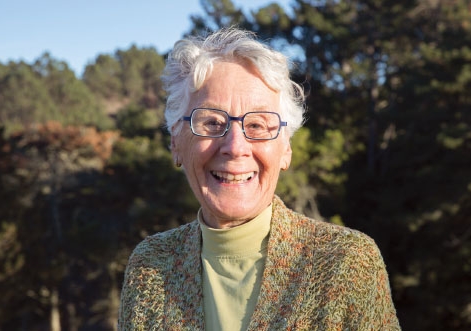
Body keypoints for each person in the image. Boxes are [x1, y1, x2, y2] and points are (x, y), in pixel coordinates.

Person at [118, 28, 401, 331]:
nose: (235, 146)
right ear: (176, 142)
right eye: (212, 122)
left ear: (286, 149)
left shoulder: (347, 263)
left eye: (257, 124)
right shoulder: (149, 267)